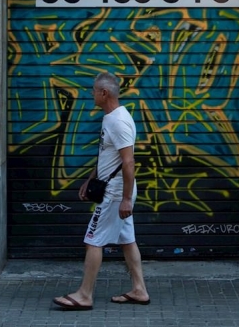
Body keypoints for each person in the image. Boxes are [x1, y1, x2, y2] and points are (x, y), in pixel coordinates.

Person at [53, 71, 150, 310]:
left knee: (93, 240)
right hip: (113, 188)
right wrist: (90, 179)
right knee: (127, 240)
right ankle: (139, 290)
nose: (91, 94)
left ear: (104, 93)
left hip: (116, 193)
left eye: (94, 91)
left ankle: (84, 294)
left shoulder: (118, 121)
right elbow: (109, 157)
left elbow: (128, 162)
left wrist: (126, 199)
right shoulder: (111, 117)